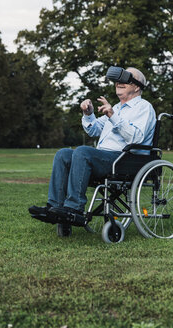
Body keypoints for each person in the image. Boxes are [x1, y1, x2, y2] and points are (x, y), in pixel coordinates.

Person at [29, 67, 156, 226]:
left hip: (126, 160)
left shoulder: (144, 108)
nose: (119, 82)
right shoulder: (116, 108)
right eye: (118, 80)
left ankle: (74, 208)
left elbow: (136, 138)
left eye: (125, 80)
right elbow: (93, 129)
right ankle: (54, 207)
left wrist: (112, 116)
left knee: (83, 152)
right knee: (63, 154)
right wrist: (88, 114)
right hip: (104, 157)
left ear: (137, 86)